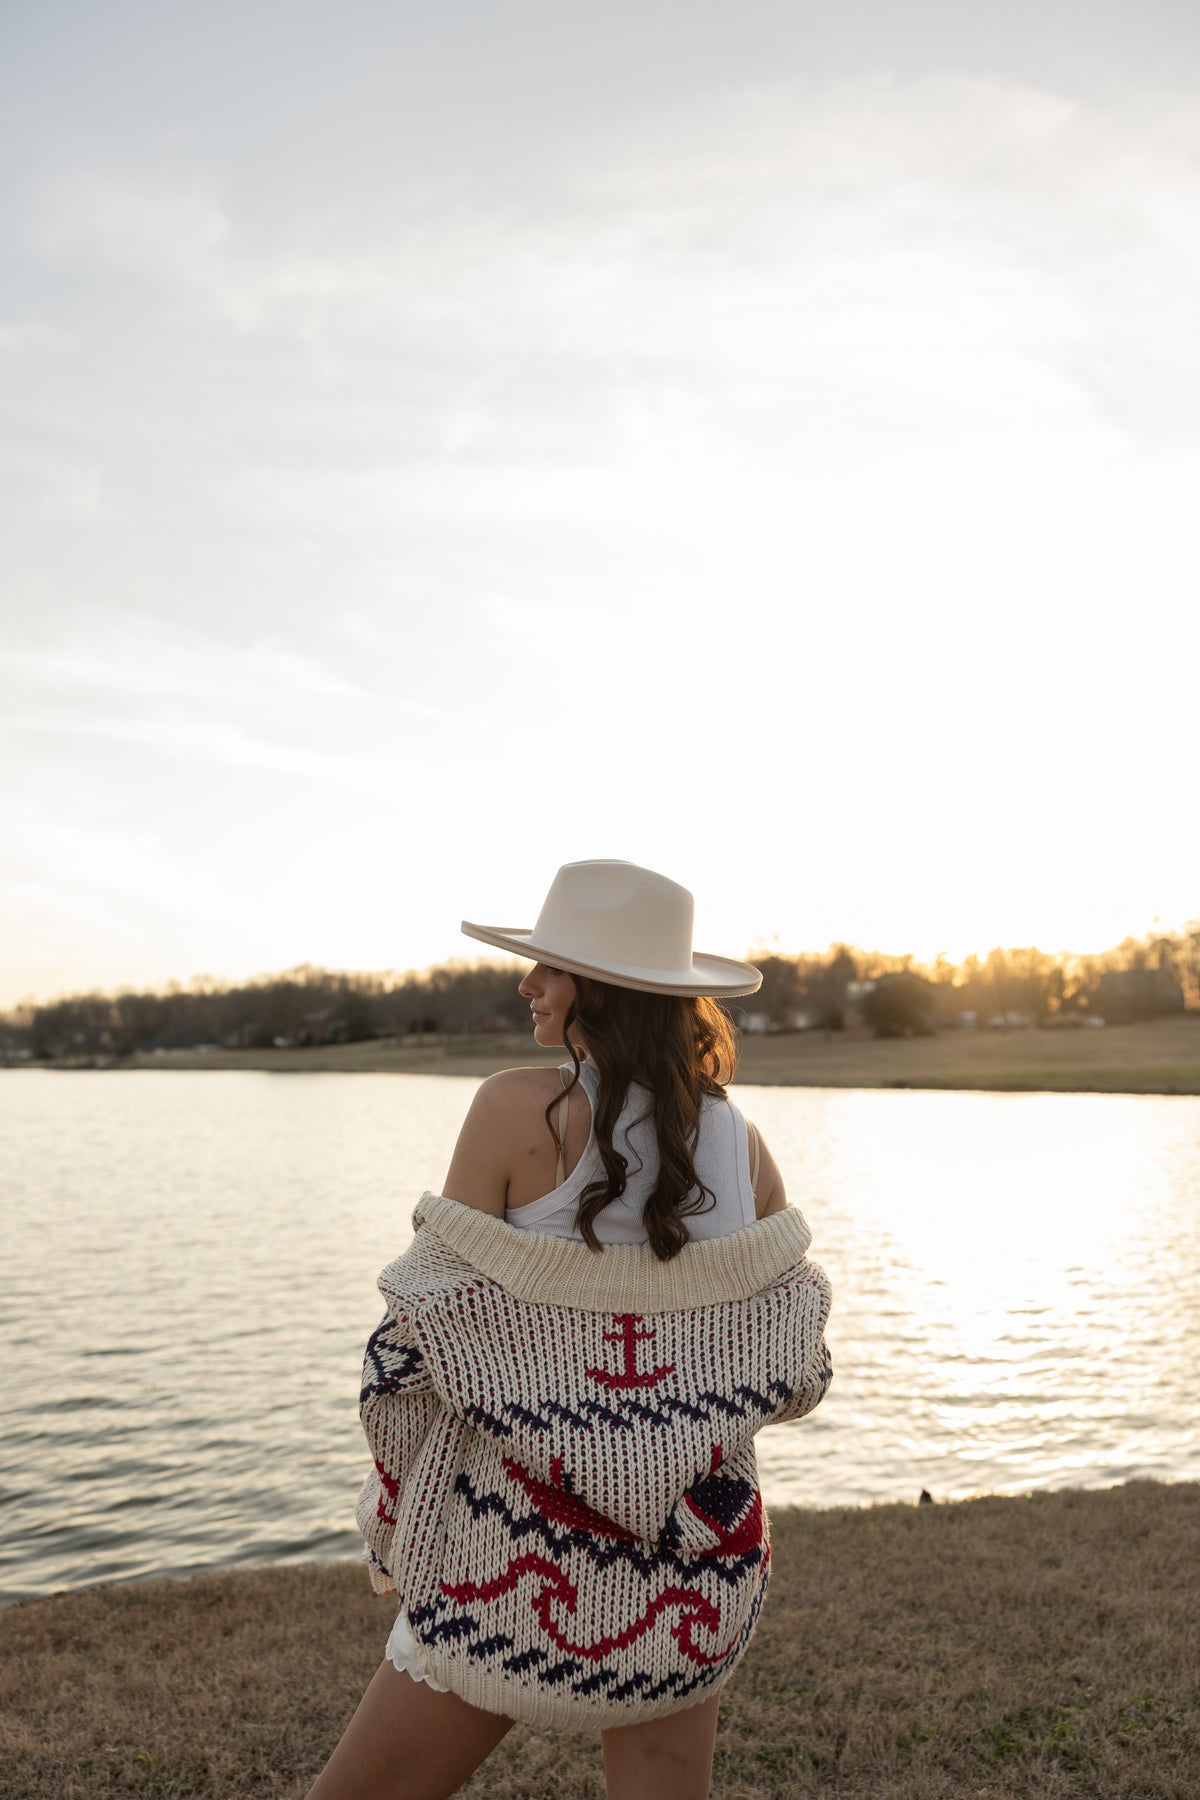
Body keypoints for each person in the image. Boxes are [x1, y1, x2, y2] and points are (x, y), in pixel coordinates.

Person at [307, 860, 832, 1800]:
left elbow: (427, 1339)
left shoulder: (518, 1108)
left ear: (603, 988)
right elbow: (795, 1369)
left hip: (505, 1551)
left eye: (548, 969)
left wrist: (398, 1518)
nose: (527, 985)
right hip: (694, 1561)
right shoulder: (739, 1142)